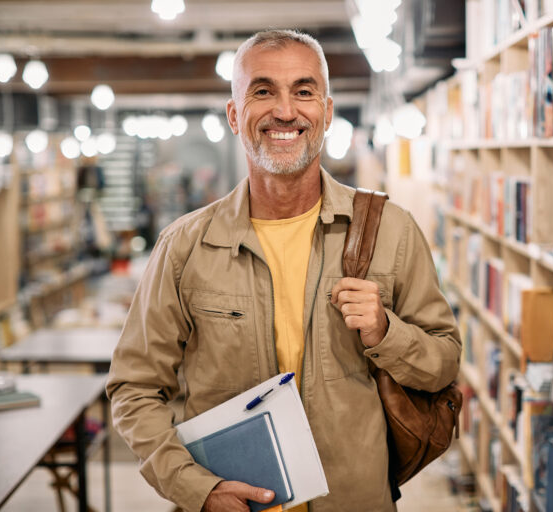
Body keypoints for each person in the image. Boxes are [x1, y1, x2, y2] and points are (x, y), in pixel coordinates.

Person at [106, 29, 461, 512]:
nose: (286, 111)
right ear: (235, 115)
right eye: (263, 91)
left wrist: (385, 332)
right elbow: (134, 387)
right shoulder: (184, 247)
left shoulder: (390, 231)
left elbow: (444, 361)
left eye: (304, 91)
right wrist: (195, 487)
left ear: (327, 112)